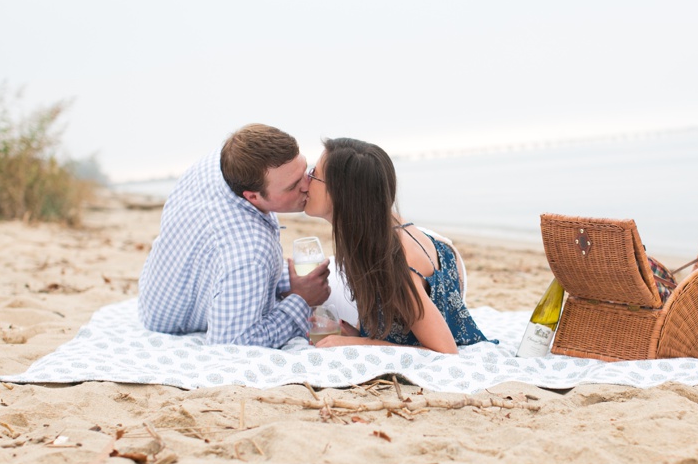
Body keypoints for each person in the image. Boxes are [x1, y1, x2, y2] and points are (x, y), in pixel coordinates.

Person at [137, 123, 331, 347]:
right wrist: (301, 300)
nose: (308, 185)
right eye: (292, 186)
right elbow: (232, 343)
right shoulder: (251, 250)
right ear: (253, 197)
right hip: (170, 319)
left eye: (305, 169)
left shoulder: (223, 161)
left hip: (160, 289)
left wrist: (288, 282)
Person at [303, 137, 491, 354]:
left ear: (341, 192)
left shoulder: (390, 257)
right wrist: (356, 334)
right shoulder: (381, 229)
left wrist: (357, 343)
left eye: (314, 174)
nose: (306, 181)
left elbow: (445, 351)